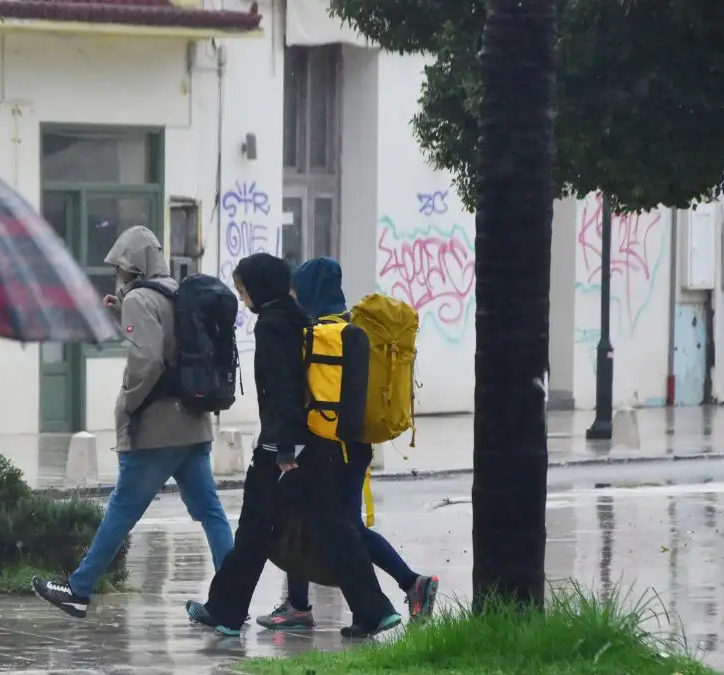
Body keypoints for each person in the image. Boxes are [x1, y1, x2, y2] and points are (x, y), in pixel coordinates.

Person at [185, 252, 402, 639]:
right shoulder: (300, 318)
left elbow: (282, 389)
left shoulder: (271, 326)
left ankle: (225, 612)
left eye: (243, 290)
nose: (243, 299)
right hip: (315, 444)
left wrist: (283, 448)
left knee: (254, 530)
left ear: (259, 287)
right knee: (335, 527)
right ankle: (375, 610)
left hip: (281, 450)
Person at [34, 225, 233, 617]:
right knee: (211, 512)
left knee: (122, 509)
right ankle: (231, 598)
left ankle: (78, 589)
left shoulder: (140, 299)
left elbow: (148, 360)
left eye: (120, 266)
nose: (117, 273)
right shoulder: (176, 292)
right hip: (193, 425)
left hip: (157, 429)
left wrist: (129, 403)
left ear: (134, 263)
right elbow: (168, 340)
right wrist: (120, 311)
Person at [256, 257, 439, 630]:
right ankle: (301, 604)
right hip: (355, 445)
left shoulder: (315, 335)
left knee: (330, 525)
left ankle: (401, 587)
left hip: (322, 447)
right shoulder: (355, 329)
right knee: (325, 522)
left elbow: (298, 397)